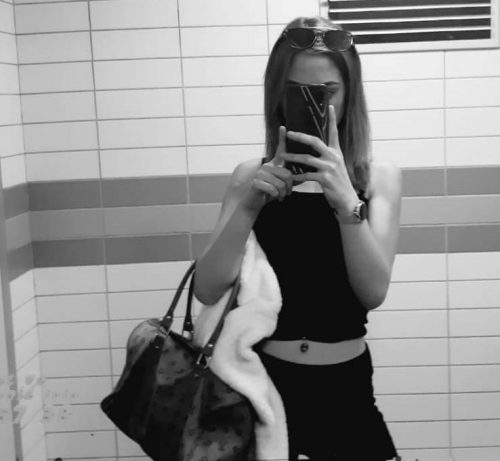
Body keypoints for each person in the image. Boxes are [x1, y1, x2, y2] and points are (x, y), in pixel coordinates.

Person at [193, 15, 402, 461]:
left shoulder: (377, 179)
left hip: (345, 387)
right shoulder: (249, 177)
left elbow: (372, 293)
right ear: (277, 96)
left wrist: (346, 203)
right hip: (261, 387)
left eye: (326, 91)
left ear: (350, 94)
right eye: (297, 91)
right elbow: (207, 289)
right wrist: (250, 205)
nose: (313, 104)